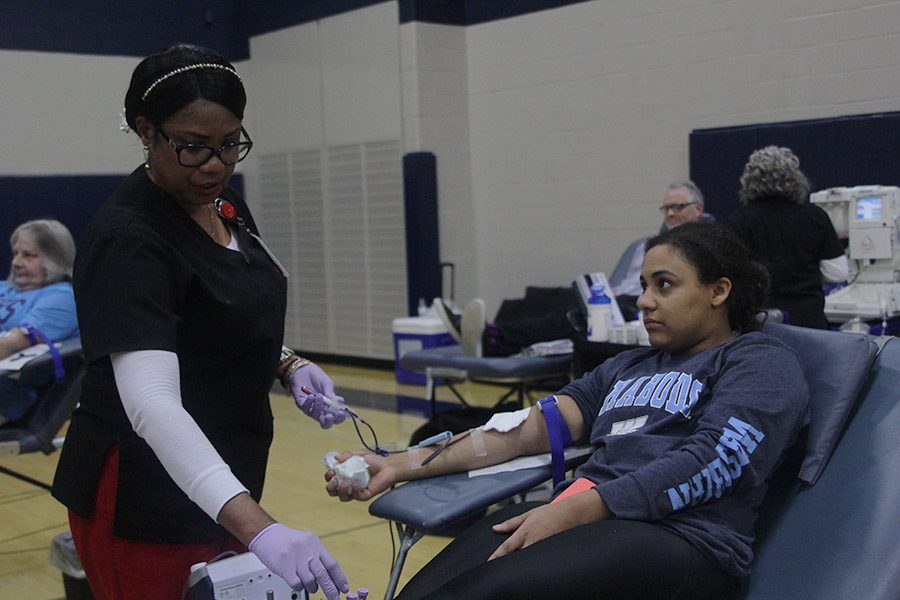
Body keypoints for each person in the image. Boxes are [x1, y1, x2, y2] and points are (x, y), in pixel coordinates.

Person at [327, 222, 810, 600]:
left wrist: (583, 507)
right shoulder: (626, 366)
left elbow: (714, 461)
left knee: (489, 592)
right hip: (587, 513)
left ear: (718, 291)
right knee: (434, 587)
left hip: (684, 541)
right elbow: (524, 431)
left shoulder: (760, 362)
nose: (643, 301)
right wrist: (396, 463)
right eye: (643, 285)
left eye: (664, 285)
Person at [51, 44, 350, 600]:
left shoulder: (224, 206)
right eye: (192, 147)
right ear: (146, 131)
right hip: (146, 493)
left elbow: (220, 307)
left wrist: (288, 362)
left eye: (229, 144)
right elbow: (153, 407)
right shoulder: (129, 240)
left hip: (226, 472)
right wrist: (260, 528)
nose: (215, 165)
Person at [729, 146, 848, 330]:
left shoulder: (740, 219)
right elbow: (838, 272)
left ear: (748, 181)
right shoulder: (815, 216)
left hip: (762, 322)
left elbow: (733, 273)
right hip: (809, 323)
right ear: (796, 179)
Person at [0, 219, 80, 425]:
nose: (16, 262)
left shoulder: (62, 297)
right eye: (16, 253)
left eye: (28, 255)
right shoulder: (5, 288)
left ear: (53, 259)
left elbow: (9, 345)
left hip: (11, 390)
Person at [610, 180, 709, 318]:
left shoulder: (706, 246)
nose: (670, 213)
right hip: (624, 300)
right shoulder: (646, 245)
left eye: (678, 207)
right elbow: (625, 283)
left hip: (654, 304)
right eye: (666, 208)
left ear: (698, 209)